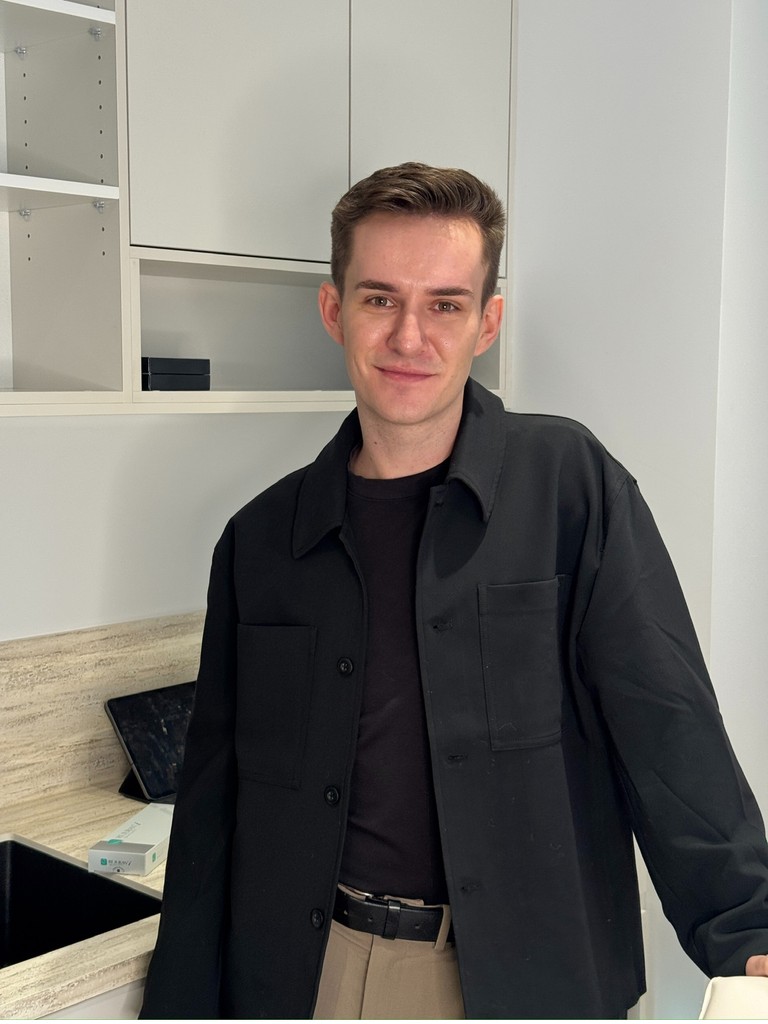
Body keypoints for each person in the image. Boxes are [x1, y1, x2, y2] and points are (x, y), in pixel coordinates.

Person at [140, 162, 768, 1019]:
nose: (409, 336)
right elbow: (216, 802)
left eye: (444, 304)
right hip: (306, 975)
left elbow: (666, 721)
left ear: (486, 323)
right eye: (378, 299)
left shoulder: (567, 486)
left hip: (526, 982)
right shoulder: (261, 540)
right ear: (335, 312)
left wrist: (748, 928)